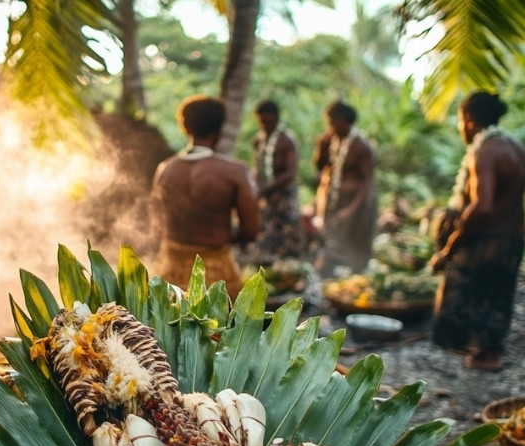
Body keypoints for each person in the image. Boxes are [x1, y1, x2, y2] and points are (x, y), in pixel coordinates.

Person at [429, 91, 525, 372]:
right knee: (498, 293)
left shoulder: (484, 152)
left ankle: (471, 348)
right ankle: (488, 352)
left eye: (461, 121)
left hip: (487, 240)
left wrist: (452, 244)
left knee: (468, 290)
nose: (461, 128)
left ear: (470, 119)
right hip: (512, 238)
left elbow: (482, 206)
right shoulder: (518, 148)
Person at [151, 95, 260, 299]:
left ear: (185, 127)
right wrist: (220, 235)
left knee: (164, 329)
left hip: (169, 272)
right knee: (221, 330)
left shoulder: (165, 171)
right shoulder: (235, 173)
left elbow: (157, 226)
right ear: (218, 130)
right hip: (216, 274)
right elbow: (251, 231)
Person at [312, 100, 377, 278]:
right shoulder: (331, 141)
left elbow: (367, 183)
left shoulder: (361, 146)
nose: (330, 126)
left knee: (355, 249)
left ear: (345, 121)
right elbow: (319, 166)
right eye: (329, 121)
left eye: (333, 121)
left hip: (356, 204)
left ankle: (353, 284)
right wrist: (321, 147)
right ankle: (328, 281)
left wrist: (350, 210)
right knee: (329, 241)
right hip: (332, 201)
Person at [249, 99, 303, 261]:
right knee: (266, 232)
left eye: (268, 121)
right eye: (261, 122)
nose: (264, 125)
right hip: (266, 196)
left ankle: (290, 267)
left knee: (287, 234)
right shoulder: (259, 140)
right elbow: (258, 166)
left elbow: (291, 171)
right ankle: (268, 264)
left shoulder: (287, 140)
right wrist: (254, 185)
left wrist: (268, 187)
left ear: (276, 118)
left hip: (284, 197)